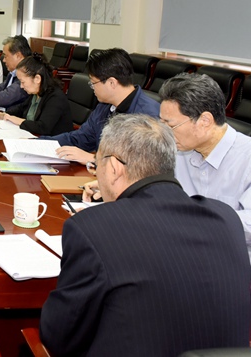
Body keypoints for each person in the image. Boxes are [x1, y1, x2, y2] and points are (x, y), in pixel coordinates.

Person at [40, 114, 250, 357]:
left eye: (96, 165)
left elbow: (59, 335)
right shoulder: (226, 218)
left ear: (114, 168)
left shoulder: (91, 228)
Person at [158, 73, 251, 254]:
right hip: (184, 249)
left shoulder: (247, 157)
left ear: (205, 121)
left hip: (232, 258)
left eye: (170, 125)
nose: (165, 133)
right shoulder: (179, 149)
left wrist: (196, 220)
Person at [48, 48, 159, 164]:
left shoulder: (149, 116)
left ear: (111, 83)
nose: (92, 88)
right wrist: (38, 142)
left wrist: (94, 159)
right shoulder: (104, 106)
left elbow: (141, 165)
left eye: (93, 83)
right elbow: (80, 138)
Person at [0, 53, 72, 136]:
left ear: (37, 79)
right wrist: (3, 114)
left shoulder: (56, 98)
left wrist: (16, 120)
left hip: (53, 141)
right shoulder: (36, 92)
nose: (21, 86)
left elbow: (43, 127)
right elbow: (21, 109)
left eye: (23, 82)